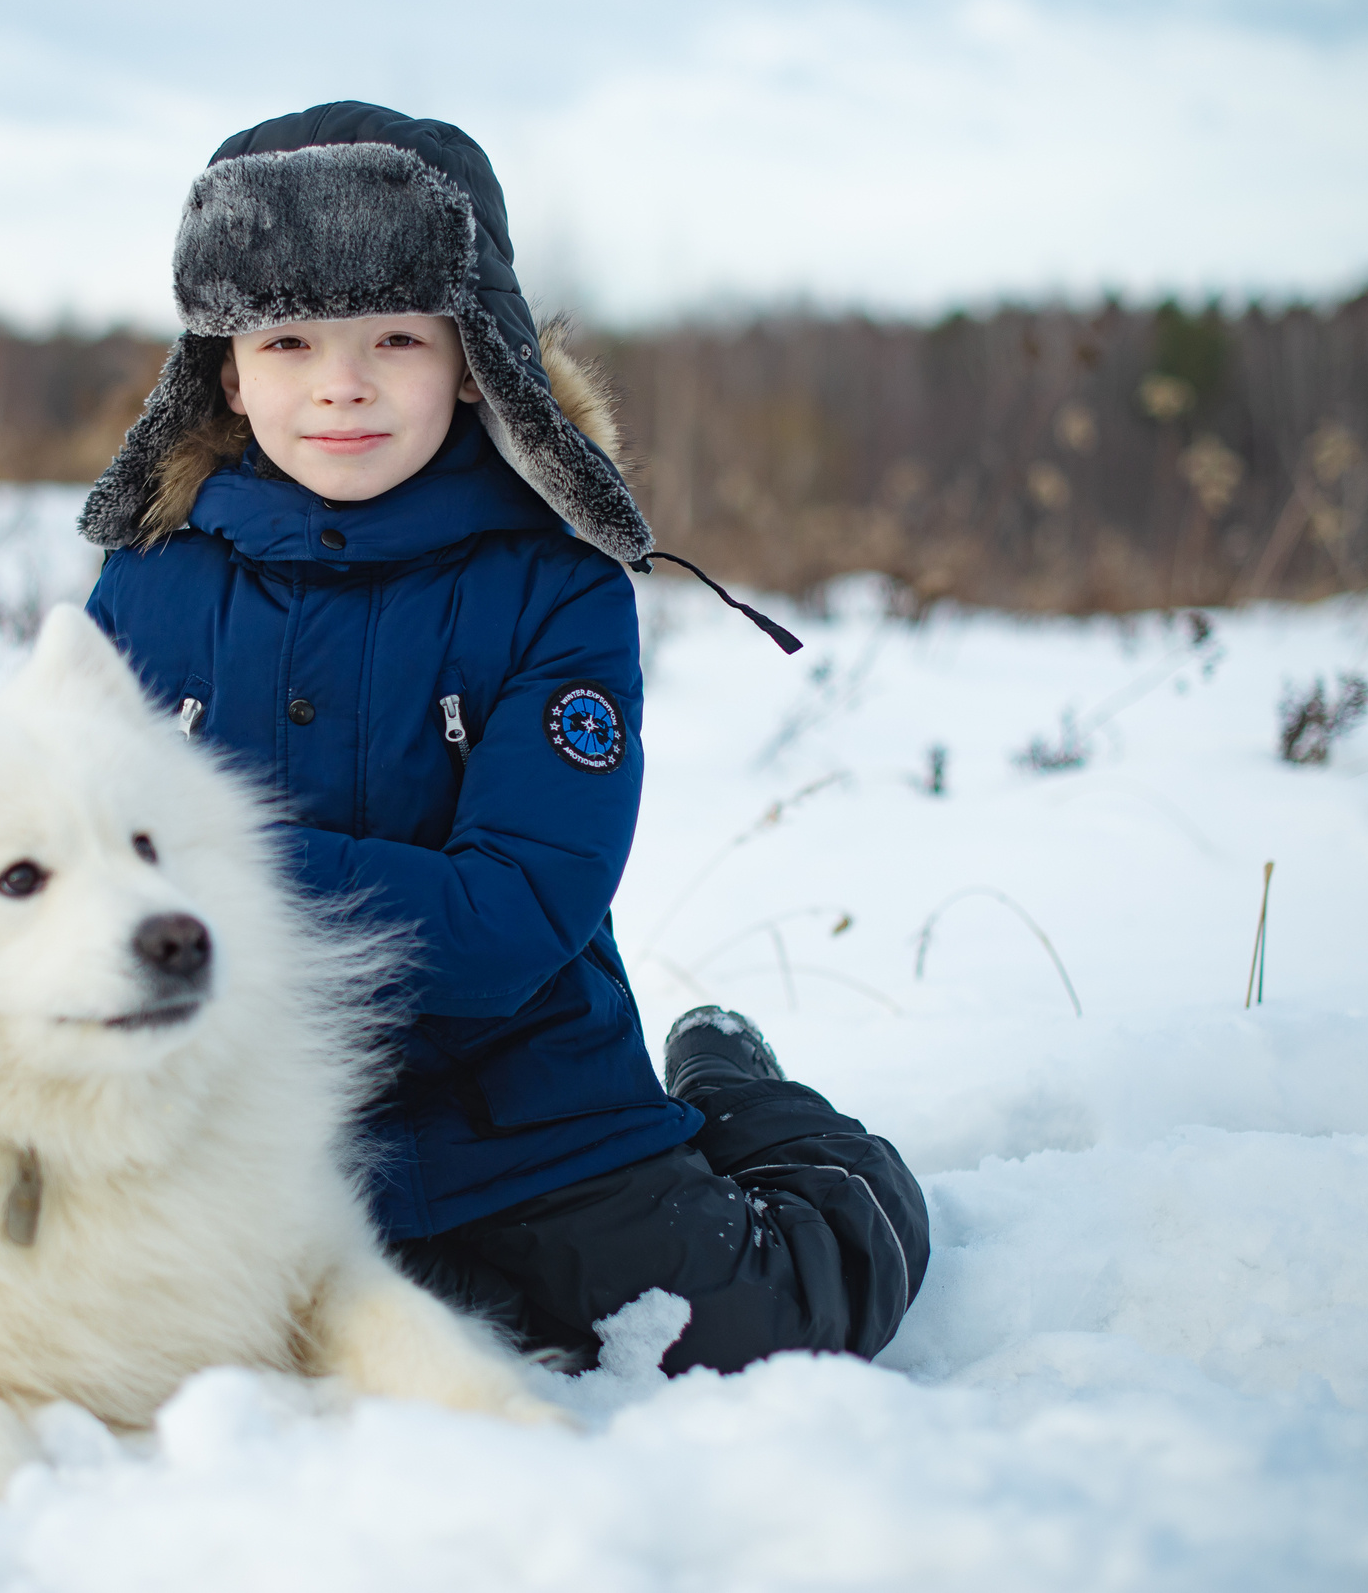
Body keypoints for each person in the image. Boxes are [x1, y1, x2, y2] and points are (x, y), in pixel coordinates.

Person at [80, 102, 926, 1375]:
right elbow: (80, 865)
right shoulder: (147, 581)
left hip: (526, 1117)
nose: (340, 382)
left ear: (473, 355)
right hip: (250, 1119)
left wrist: (211, 872)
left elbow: (513, 910)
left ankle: (746, 1098)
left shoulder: (557, 584)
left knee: (755, 1333)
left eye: (396, 337)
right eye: (288, 336)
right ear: (224, 363)